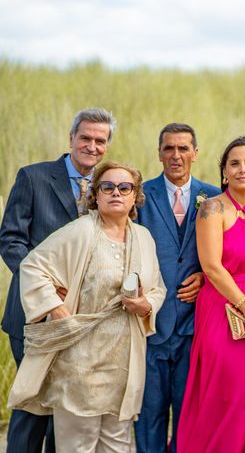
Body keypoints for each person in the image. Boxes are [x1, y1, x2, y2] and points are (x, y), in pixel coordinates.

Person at [7, 161, 166, 452]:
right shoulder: (80, 231)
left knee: (117, 443)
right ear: (96, 195)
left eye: (124, 187)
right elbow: (32, 266)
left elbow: (157, 288)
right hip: (80, 359)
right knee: (77, 445)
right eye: (107, 187)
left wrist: (145, 304)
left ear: (135, 196)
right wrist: (57, 309)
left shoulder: (143, 237)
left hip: (123, 359)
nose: (116, 192)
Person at [0, 107, 115, 453]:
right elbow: (11, 241)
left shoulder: (109, 186)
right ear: (71, 138)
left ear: (107, 145)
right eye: (85, 138)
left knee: (66, 414)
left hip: (83, 322)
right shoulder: (33, 177)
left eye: (100, 140)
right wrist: (47, 291)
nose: (92, 146)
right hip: (34, 317)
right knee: (32, 409)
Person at [177, 136, 245, 452]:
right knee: (234, 400)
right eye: (234, 163)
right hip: (223, 308)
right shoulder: (212, 208)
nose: (242, 169)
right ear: (224, 172)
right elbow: (212, 266)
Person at [134, 123, 221, 452]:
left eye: (183, 148)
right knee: (150, 414)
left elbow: (229, 254)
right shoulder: (142, 195)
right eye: (168, 148)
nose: (176, 155)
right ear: (159, 153)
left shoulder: (213, 196)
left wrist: (205, 276)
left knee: (190, 415)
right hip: (151, 325)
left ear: (195, 154)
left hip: (196, 325)